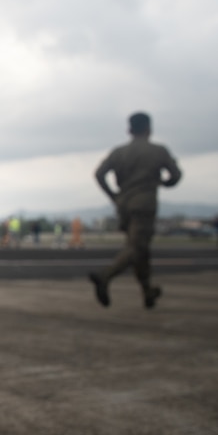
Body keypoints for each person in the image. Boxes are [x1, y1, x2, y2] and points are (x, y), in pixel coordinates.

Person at [88, 112, 182, 309]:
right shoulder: (158, 151)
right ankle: (105, 276)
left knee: (140, 250)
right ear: (149, 129)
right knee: (137, 248)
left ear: (129, 130)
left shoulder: (119, 152)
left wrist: (113, 196)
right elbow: (175, 176)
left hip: (123, 206)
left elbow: (99, 174)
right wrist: (164, 182)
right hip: (144, 205)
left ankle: (147, 292)